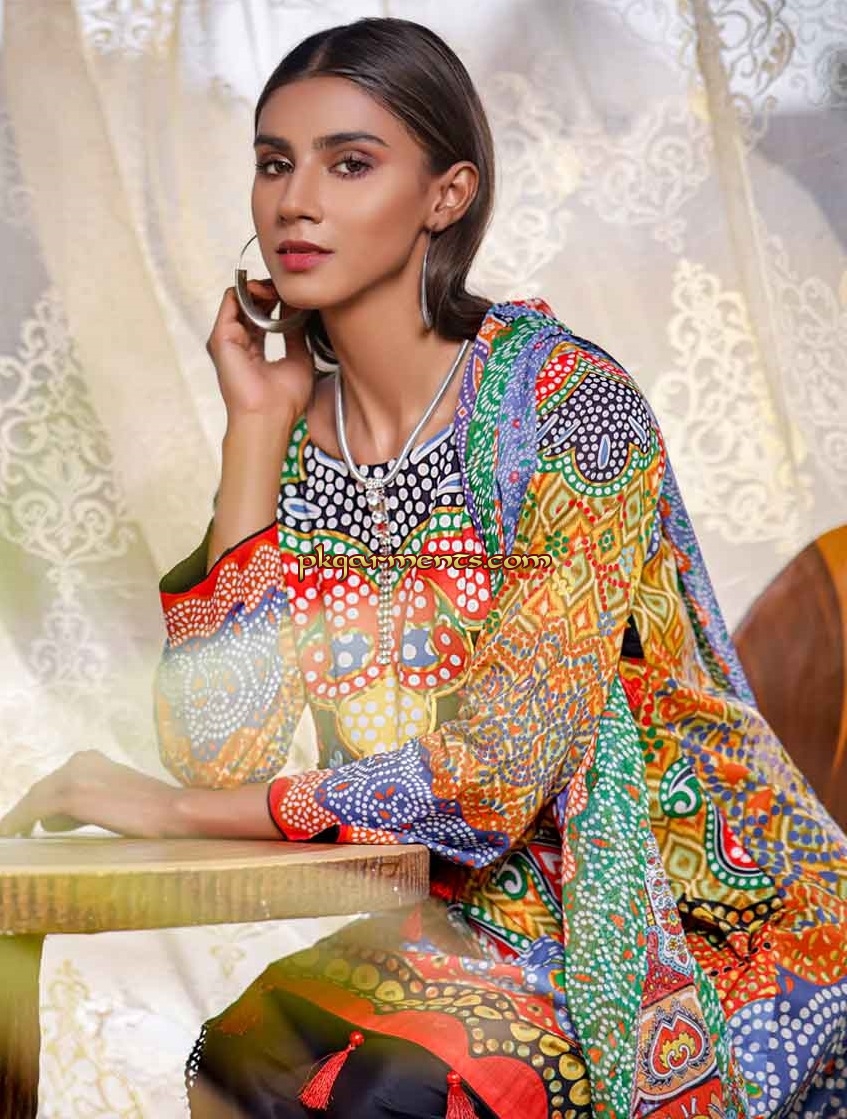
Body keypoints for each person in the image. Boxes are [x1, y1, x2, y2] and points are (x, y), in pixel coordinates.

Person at [2, 15, 846, 1119]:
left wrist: (158, 812)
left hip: (684, 919)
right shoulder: (297, 442)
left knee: (379, 1094)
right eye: (274, 163)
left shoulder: (570, 410)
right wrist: (253, 432)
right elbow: (222, 753)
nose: (295, 201)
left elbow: (492, 779)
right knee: (246, 1062)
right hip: (469, 918)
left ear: (446, 195)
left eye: (349, 163)